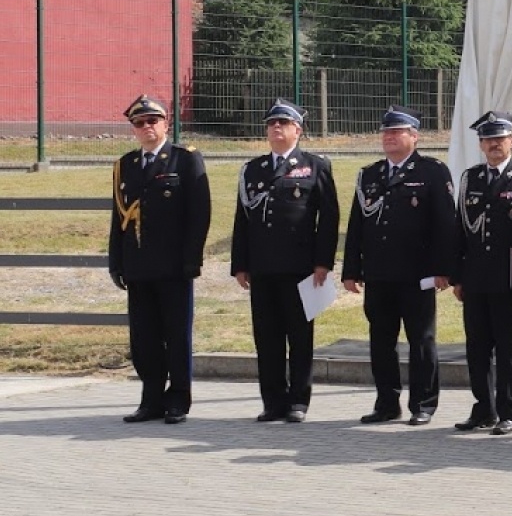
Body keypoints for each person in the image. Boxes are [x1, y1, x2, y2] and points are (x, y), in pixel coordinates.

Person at [341, 106, 458, 426]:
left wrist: (443, 269)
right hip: (379, 273)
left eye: (397, 132)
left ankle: (423, 403)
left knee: (421, 340)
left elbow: (445, 225)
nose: (390, 137)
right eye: (386, 132)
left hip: (417, 273)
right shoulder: (370, 174)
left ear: (414, 136)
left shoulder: (432, 171)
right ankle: (386, 402)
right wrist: (351, 269)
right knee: (381, 341)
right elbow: (357, 225)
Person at [230, 98, 340, 424]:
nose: (276, 128)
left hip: (300, 266)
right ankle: (273, 401)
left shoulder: (315, 166)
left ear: (298, 130)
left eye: (283, 123)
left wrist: (323, 262)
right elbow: (242, 219)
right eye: (271, 124)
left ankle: (298, 402)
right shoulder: (253, 169)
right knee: (267, 337)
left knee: (299, 336)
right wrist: (240, 263)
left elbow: (329, 218)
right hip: (262, 266)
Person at [109, 94, 211, 425]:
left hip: (173, 266)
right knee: (144, 337)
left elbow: (199, 215)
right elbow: (118, 219)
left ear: (166, 123)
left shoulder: (185, 160)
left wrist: (191, 259)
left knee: (177, 333)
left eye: (153, 121)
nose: (146, 127)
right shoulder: (125, 165)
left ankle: (178, 399)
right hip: (138, 266)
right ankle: (151, 399)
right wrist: (116, 261)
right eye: (139, 123)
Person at [452, 111, 512, 436]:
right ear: (480, 144)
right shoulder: (471, 178)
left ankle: (509, 410)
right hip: (476, 277)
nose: (494, 144)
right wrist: (458, 276)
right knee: (476, 347)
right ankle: (483, 409)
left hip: (510, 276)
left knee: (509, 348)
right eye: (488, 139)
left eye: (500, 138)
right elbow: (460, 230)